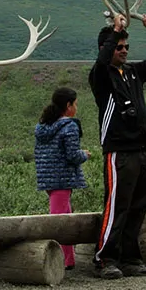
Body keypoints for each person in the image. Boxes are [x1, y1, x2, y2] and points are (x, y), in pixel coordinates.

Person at [89, 12, 146, 279]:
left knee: (137, 206)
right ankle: (105, 258)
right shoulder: (101, 76)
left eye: (126, 47)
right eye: (118, 47)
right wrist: (114, 31)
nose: (123, 51)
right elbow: (102, 61)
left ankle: (130, 257)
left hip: (141, 150)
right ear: (107, 48)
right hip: (118, 151)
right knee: (117, 205)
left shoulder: (134, 72)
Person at [34, 86, 90, 271]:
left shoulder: (43, 126)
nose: (76, 107)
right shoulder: (70, 126)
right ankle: (57, 259)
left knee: (64, 215)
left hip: (48, 178)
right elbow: (72, 155)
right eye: (75, 104)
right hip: (63, 178)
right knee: (59, 221)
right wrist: (85, 154)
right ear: (68, 105)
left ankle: (68, 259)